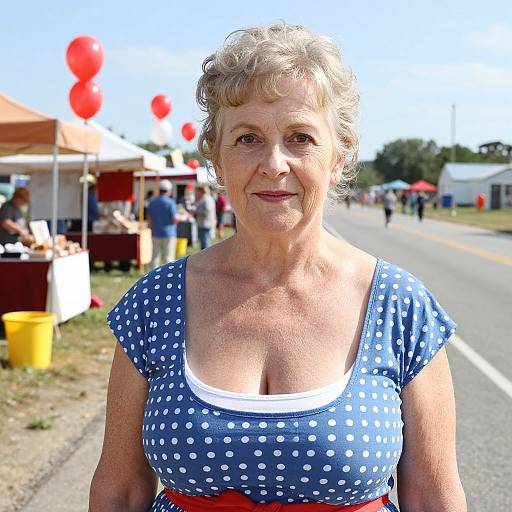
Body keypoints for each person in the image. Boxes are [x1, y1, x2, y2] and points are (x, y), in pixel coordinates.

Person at [90, 23, 466, 512]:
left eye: (300, 137)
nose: (273, 163)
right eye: (247, 138)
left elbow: (433, 496)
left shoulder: (399, 306)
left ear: (339, 155)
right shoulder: (154, 302)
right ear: (217, 160)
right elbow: (120, 489)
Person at [147, 179, 180, 268]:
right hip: (169, 233)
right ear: (169, 190)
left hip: (156, 232)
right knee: (169, 257)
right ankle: (169, 277)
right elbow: (175, 218)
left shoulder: (153, 201)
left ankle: (153, 278)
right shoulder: (170, 202)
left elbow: (149, 219)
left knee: (155, 256)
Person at [194, 184, 216, 249]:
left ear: (201, 191)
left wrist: (196, 211)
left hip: (205, 224)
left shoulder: (206, 199)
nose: (196, 193)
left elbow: (207, 211)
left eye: (197, 191)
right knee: (204, 242)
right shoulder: (205, 198)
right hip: (203, 223)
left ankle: (207, 257)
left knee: (205, 244)